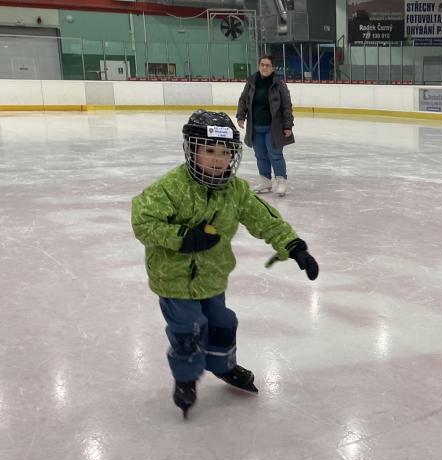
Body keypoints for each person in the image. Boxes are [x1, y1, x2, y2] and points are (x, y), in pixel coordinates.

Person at [131, 109, 319, 418]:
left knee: (222, 323)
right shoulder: (170, 188)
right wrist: (182, 237)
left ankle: (223, 366)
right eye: (208, 151)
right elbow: (143, 221)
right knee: (189, 330)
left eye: (225, 152)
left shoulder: (235, 191)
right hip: (174, 279)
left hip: (213, 276)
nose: (218, 159)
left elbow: (265, 220)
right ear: (192, 150)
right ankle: (186, 378)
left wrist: (294, 246)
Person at [236, 54, 295, 197]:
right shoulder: (252, 82)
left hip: (273, 127)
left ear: (273, 68)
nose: (264, 67)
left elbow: (286, 106)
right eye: (262, 64)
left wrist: (288, 125)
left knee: (275, 155)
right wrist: (241, 116)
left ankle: (281, 181)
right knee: (260, 155)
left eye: (267, 65)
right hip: (255, 126)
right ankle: (266, 181)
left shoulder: (279, 84)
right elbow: (243, 100)